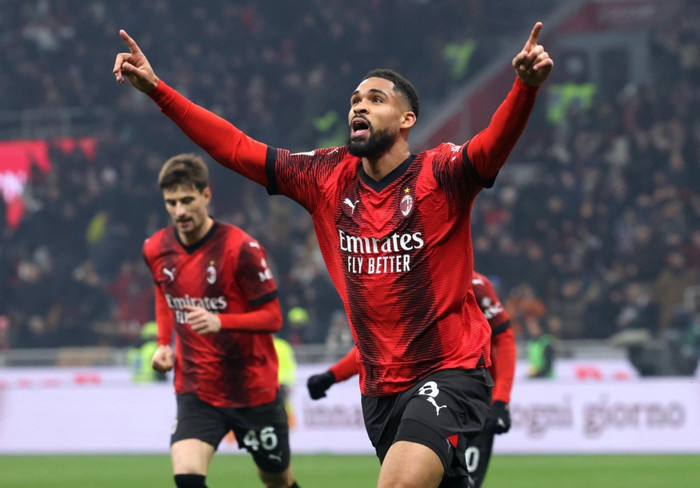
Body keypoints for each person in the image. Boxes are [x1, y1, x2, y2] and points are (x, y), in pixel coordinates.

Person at [114, 23, 552, 488]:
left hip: (450, 369)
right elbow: (236, 148)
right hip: (380, 387)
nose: (359, 105)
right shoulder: (324, 176)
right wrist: (158, 91)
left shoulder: (441, 173)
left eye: (376, 99)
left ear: (407, 120)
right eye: (355, 100)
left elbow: (493, 144)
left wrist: (524, 88)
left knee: (397, 483)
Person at [140, 153, 300, 488]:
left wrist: (220, 322)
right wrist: (163, 345)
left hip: (252, 389)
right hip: (197, 388)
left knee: (277, 479)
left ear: (206, 195)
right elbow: (163, 291)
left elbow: (273, 317)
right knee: (187, 475)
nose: (179, 211)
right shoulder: (156, 248)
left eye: (187, 200)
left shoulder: (241, 248)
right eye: (171, 203)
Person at [307, 271, 517, 488]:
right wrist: (332, 375)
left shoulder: (475, 283)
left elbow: (505, 339)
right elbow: (381, 349)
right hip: (421, 398)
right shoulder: (405, 282)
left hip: (464, 394)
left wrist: (501, 400)